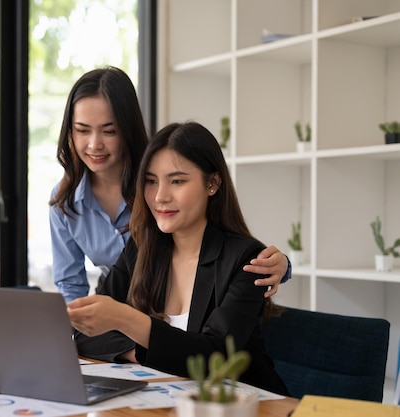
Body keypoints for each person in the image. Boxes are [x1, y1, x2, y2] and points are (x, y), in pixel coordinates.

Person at [67, 121, 290, 395]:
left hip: (246, 406)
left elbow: (214, 359)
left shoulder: (248, 260)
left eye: (177, 181)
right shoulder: (141, 248)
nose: (160, 196)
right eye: (151, 181)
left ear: (213, 183)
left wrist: (126, 320)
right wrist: (143, 351)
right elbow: (86, 335)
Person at [49, 66, 290, 303]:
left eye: (109, 131)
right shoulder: (64, 201)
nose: (94, 145)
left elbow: (225, 240)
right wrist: (75, 334)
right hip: (117, 310)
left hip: (181, 311)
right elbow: (70, 284)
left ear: (127, 129)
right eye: (82, 130)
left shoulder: (160, 186)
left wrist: (282, 265)